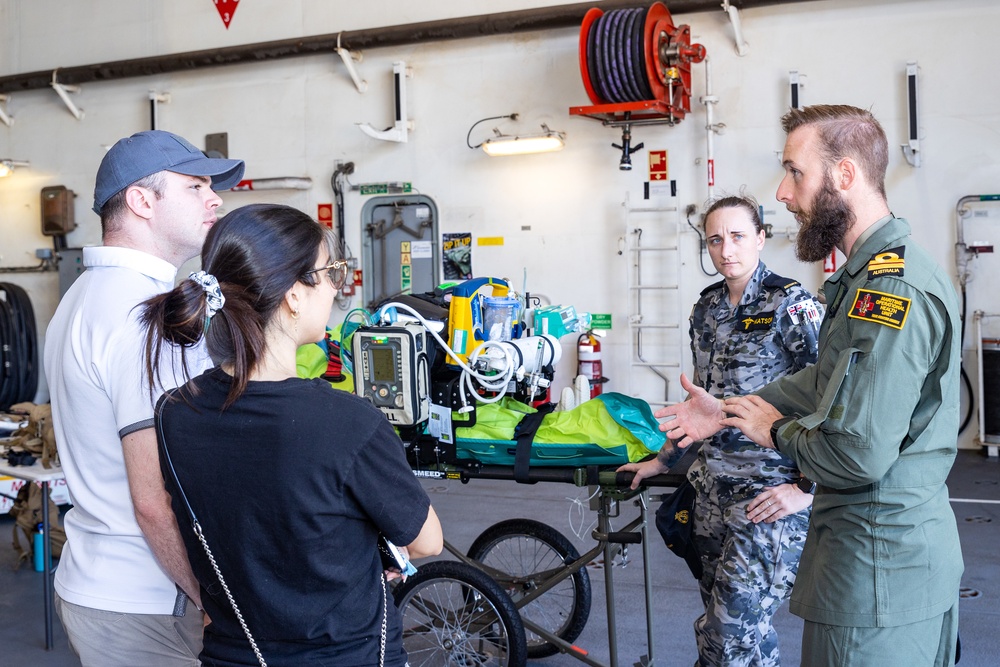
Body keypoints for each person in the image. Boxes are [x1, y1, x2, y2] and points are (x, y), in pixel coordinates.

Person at [653, 105, 964, 666]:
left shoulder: (887, 292)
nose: (784, 191)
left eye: (795, 172)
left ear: (844, 175)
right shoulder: (863, 281)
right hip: (869, 562)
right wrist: (725, 411)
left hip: (876, 571)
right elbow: (821, 380)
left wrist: (777, 434)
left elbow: (858, 453)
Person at [142, 203, 443, 667]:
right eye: (329, 274)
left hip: (235, 654)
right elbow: (427, 542)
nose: (335, 290)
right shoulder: (349, 422)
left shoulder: (173, 413)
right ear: (293, 295)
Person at [44, 130, 245, 665]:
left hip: (104, 583)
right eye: (195, 185)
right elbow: (153, 498)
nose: (215, 198)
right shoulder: (139, 316)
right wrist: (215, 600)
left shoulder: (85, 296)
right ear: (141, 201)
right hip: (147, 599)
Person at [619, 194, 822, 666]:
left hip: (768, 499)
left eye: (736, 236)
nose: (726, 249)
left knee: (723, 636)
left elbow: (831, 401)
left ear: (761, 238)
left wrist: (807, 487)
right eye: (715, 240)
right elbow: (701, 407)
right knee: (743, 634)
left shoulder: (791, 304)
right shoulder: (706, 309)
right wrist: (662, 461)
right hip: (711, 495)